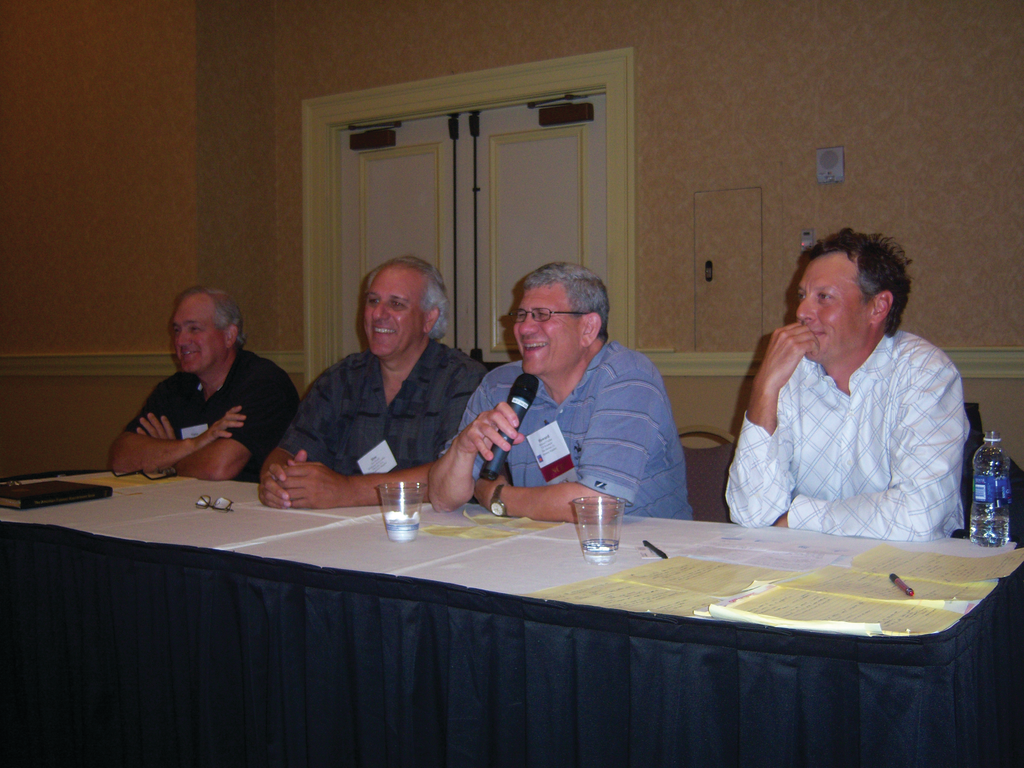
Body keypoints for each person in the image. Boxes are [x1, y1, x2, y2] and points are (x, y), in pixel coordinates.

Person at [726, 228, 969, 540]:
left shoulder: (925, 373)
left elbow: (919, 516)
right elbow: (750, 512)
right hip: (805, 571)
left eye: (824, 297)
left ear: (878, 307)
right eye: (802, 296)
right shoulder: (791, 373)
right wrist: (765, 387)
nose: (801, 312)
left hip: (907, 574)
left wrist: (798, 516)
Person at [429, 262, 691, 522]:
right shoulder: (499, 385)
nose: (524, 328)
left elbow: (597, 505)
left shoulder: (628, 377)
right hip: (542, 551)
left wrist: (498, 496)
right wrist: (463, 449)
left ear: (588, 328)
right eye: (521, 315)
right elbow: (442, 500)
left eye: (542, 314)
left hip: (645, 552)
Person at [259, 256, 487, 509]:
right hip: (335, 530)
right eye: (373, 301)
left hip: (430, 532)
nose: (378, 314)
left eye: (396, 304)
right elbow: (288, 451)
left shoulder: (463, 380)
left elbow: (458, 472)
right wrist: (277, 479)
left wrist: (348, 491)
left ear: (429, 319)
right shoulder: (340, 378)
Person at [110, 287, 299, 482]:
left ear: (229, 336)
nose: (181, 341)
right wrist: (192, 445)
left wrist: (164, 462)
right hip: (185, 502)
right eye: (177, 330)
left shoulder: (263, 384)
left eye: (194, 329)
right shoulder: (175, 388)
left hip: (250, 507)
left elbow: (217, 468)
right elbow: (121, 458)